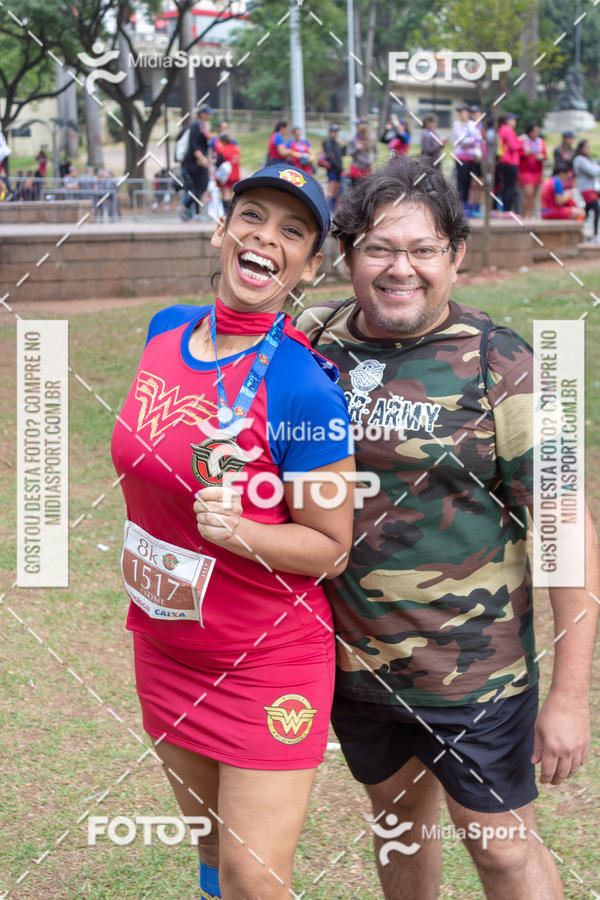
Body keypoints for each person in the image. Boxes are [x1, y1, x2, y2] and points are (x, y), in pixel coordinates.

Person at [296, 155, 599, 900]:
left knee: (501, 851)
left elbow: (566, 529)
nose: (402, 269)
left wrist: (568, 697)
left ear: (455, 256)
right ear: (348, 255)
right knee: (400, 829)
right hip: (355, 670)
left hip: (476, 677)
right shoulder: (313, 343)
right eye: (380, 249)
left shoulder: (507, 367)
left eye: (423, 249)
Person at [111, 163, 355, 900]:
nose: (265, 239)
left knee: (255, 878)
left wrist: (244, 533)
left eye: (292, 231)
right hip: (164, 642)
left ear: (310, 266)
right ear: (222, 230)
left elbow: (332, 549)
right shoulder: (166, 330)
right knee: (215, 852)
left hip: (265, 661)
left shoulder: (303, 387)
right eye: (251, 216)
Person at [180, 104, 213, 222]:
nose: (209, 115)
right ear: (202, 114)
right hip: (193, 163)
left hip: (200, 162)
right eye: (207, 113)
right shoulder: (195, 126)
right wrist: (203, 159)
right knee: (198, 187)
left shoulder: (202, 126)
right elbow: (193, 145)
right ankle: (185, 207)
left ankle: (195, 212)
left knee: (202, 185)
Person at [451, 105, 481, 216]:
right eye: (460, 112)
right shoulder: (456, 125)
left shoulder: (472, 124)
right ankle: (460, 207)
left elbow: (479, 138)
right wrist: (472, 140)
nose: (462, 114)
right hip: (461, 158)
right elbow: (461, 141)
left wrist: (470, 140)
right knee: (461, 183)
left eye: (464, 112)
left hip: (472, 158)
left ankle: (469, 208)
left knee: (470, 183)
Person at [572, 138, 600, 241]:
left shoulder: (588, 159)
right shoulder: (579, 159)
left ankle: (579, 231)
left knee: (586, 211)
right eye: (587, 147)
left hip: (592, 188)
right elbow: (593, 171)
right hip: (586, 189)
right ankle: (595, 235)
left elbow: (596, 169)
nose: (588, 149)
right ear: (581, 148)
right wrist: (595, 168)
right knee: (596, 210)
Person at [518, 122, 547, 218]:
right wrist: (525, 153)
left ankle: (530, 216)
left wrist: (542, 157)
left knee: (533, 196)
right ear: (530, 132)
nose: (536, 133)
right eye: (534, 131)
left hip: (537, 171)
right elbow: (518, 154)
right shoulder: (523, 141)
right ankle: (523, 216)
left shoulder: (541, 142)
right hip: (525, 171)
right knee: (528, 194)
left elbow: (545, 155)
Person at [496, 112, 522, 213]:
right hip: (510, 162)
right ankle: (507, 210)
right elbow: (514, 146)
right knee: (510, 187)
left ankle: (505, 209)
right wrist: (521, 142)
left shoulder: (501, 130)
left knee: (505, 186)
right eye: (513, 120)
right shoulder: (508, 130)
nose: (515, 122)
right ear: (508, 120)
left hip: (502, 161)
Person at [213, 131, 240, 215]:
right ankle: (233, 211)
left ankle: (227, 213)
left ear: (223, 141)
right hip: (235, 174)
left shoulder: (222, 149)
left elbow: (218, 163)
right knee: (232, 194)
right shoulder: (236, 149)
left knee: (225, 194)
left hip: (225, 176)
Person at [321, 123, 346, 214]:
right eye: (334, 132)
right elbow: (329, 157)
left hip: (337, 170)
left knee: (336, 192)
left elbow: (343, 153)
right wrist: (338, 166)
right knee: (331, 191)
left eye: (336, 131)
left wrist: (342, 145)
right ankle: (328, 211)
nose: (336, 133)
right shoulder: (328, 142)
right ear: (330, 132)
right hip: (333, 169)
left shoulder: (336, 142)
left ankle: (332, 211)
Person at [348, 119, 376, 186]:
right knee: (356, 190)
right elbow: (350, 153)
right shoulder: (353, 139)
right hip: (356, 168)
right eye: (356, 126)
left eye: (358, 126)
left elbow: (376, 152)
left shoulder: (371, 139)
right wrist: (356, 149)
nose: (357, 128)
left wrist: (373, 159)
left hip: (367, 169)